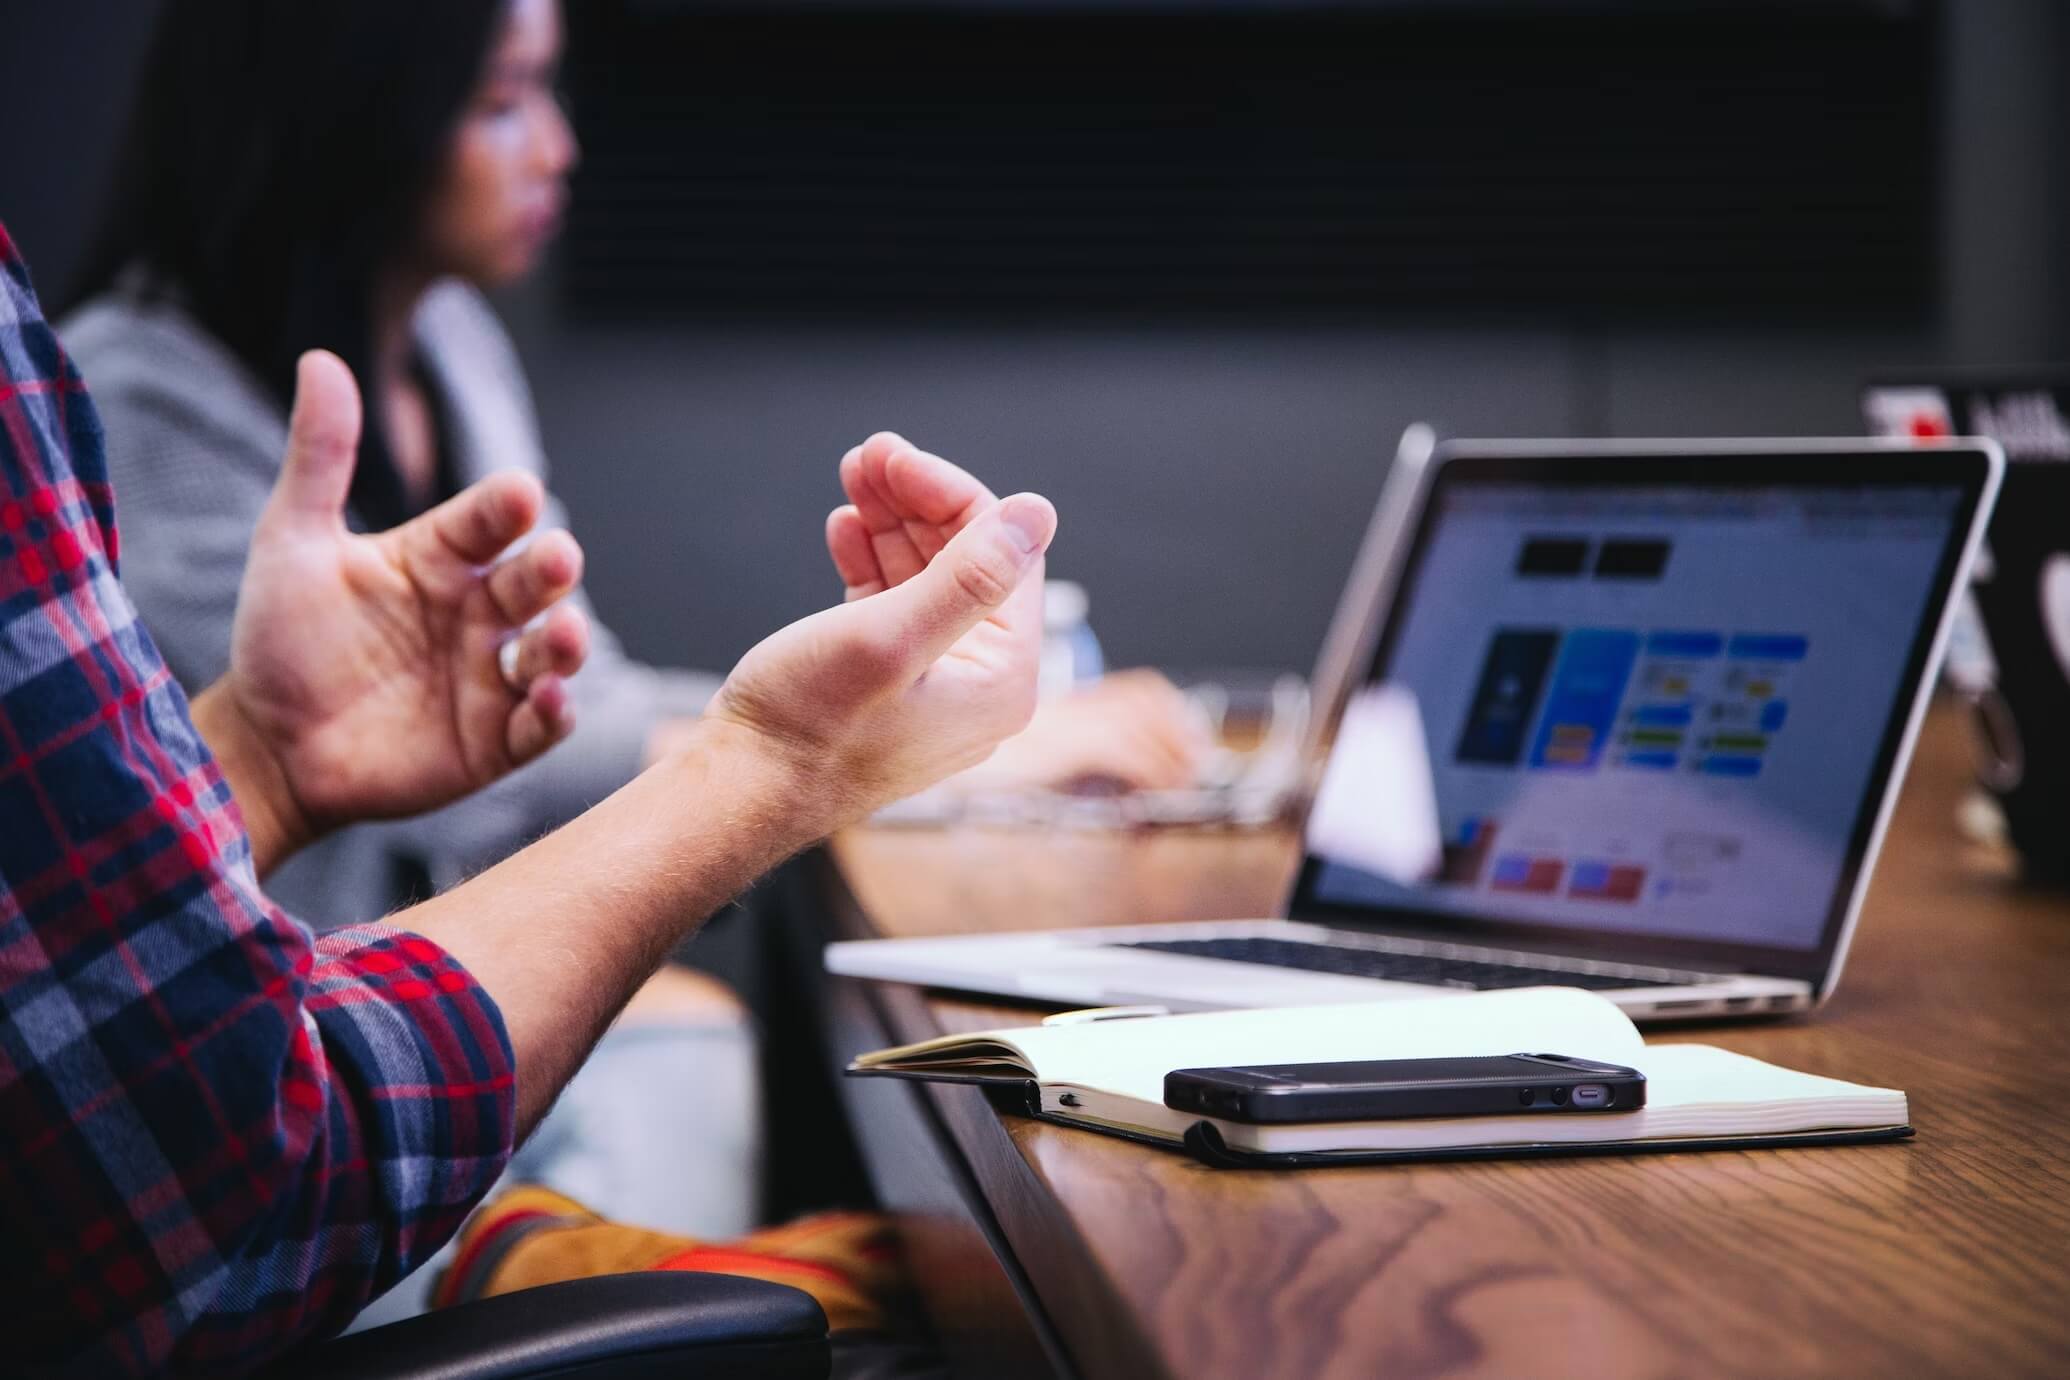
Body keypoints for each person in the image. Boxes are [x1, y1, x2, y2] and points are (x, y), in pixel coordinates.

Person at [0, 217, 1058, 1374]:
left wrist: (258, 759)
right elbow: (231, 1174)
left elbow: (58, 948)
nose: (556, 143)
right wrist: (774, 765)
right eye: (504, 96)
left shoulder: (454, 341)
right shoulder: (128, 375)